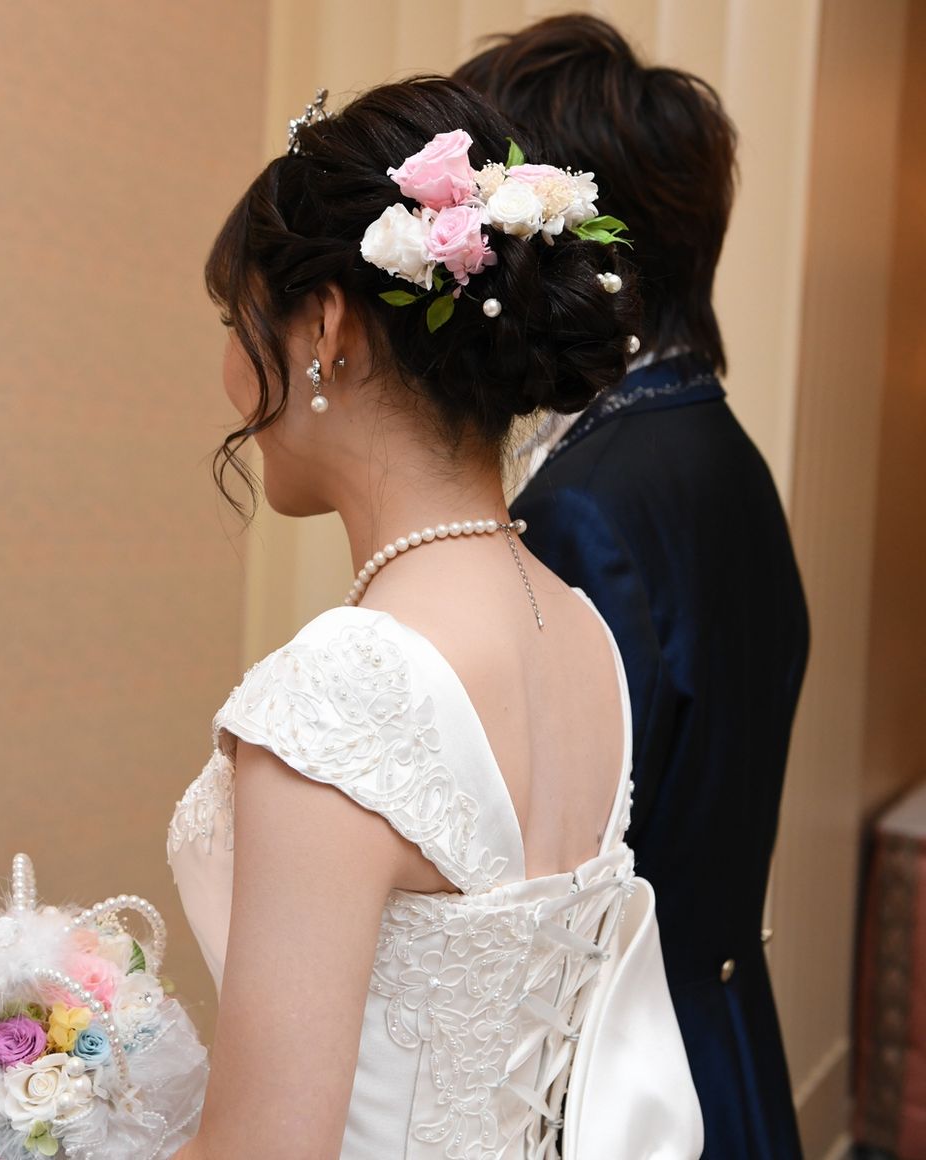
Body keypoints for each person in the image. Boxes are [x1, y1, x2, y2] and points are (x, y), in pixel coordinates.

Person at [166, 78, 695, 1158]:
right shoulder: (581, 631)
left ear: (325, 327)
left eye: (235, 322)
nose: (229, 373)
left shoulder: (345, 689)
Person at [455, 17, 809, 1157]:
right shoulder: (720, 452)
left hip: (632, 1087)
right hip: (726, 1043)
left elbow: (559, 886)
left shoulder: (588, 507)